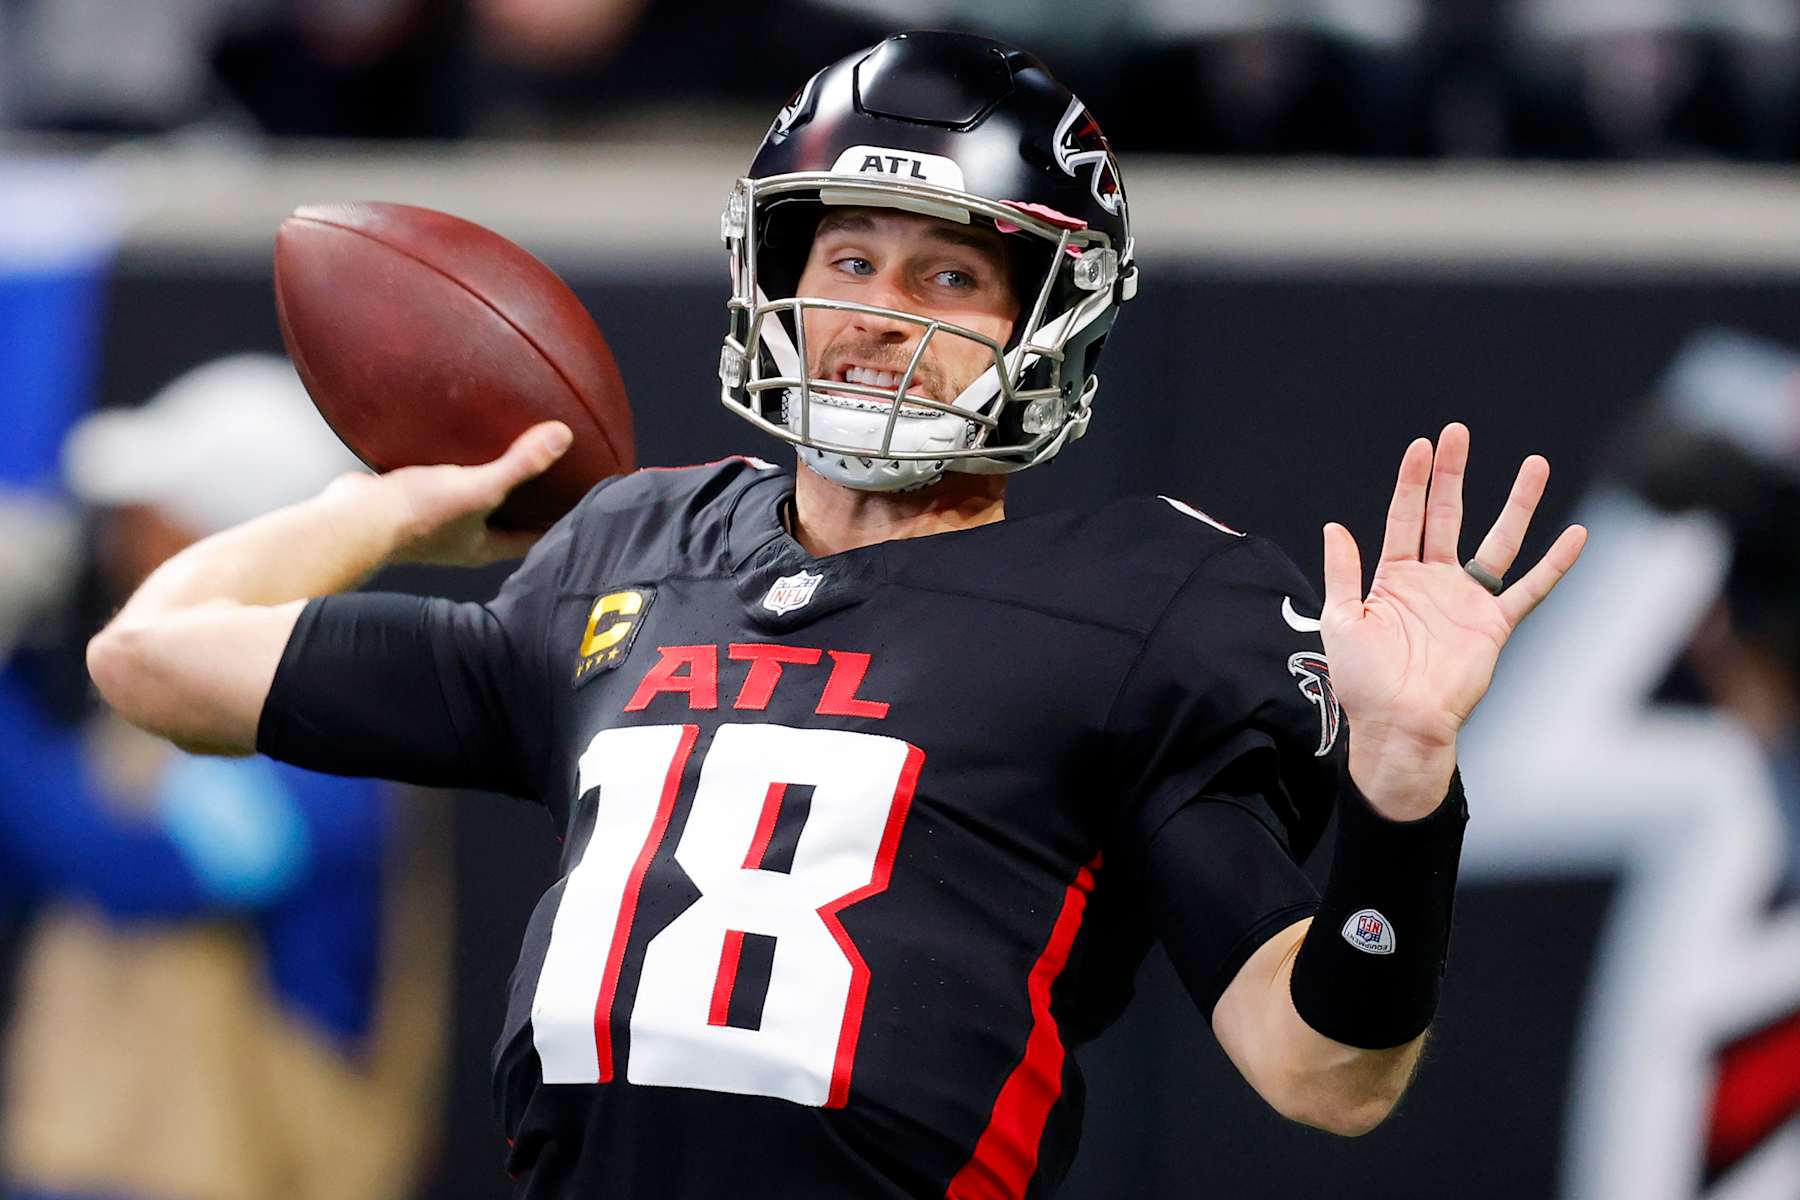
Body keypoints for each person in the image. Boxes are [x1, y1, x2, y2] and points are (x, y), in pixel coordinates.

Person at [84, 31, 1587, 1199]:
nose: (882, 311)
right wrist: (399, 506)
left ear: (1046, 326)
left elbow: (1324, 1072)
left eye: (951, 276)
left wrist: (1403, 803)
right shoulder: (627, 558)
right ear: (775, 285)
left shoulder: (1138, 615)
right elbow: (151, 656)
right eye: (851, 259)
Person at [1, 355, 449, 1200]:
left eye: (151, 514)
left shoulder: (329, 739)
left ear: (232, 535)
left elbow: (135, 869)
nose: (122, 538)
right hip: (79, 1163)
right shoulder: (152, 703)